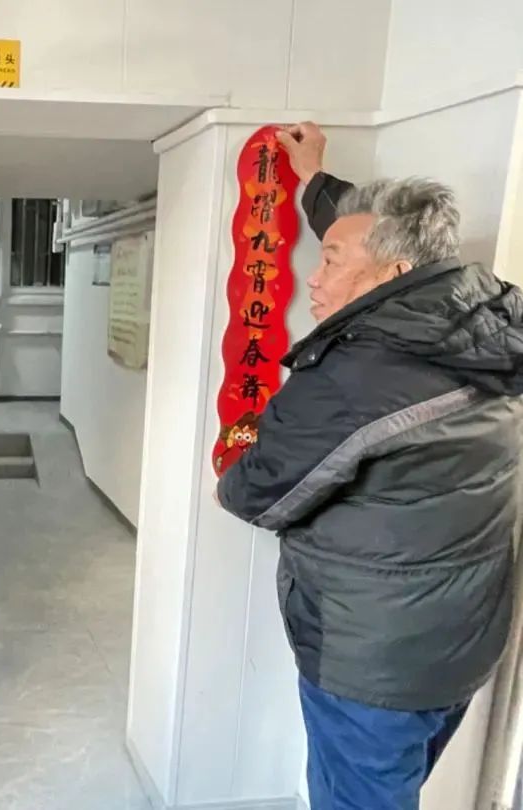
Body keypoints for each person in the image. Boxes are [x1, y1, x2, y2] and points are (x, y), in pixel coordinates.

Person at [217, 122, 521, 809]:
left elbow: (255, 492)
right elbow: (384, 238)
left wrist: (235, 459)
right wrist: (315, 178)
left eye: (329, 261)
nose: (313, 277)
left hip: (373, 660)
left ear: (393, 274)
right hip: (461, 642)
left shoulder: (354, 378)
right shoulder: (484, 314)